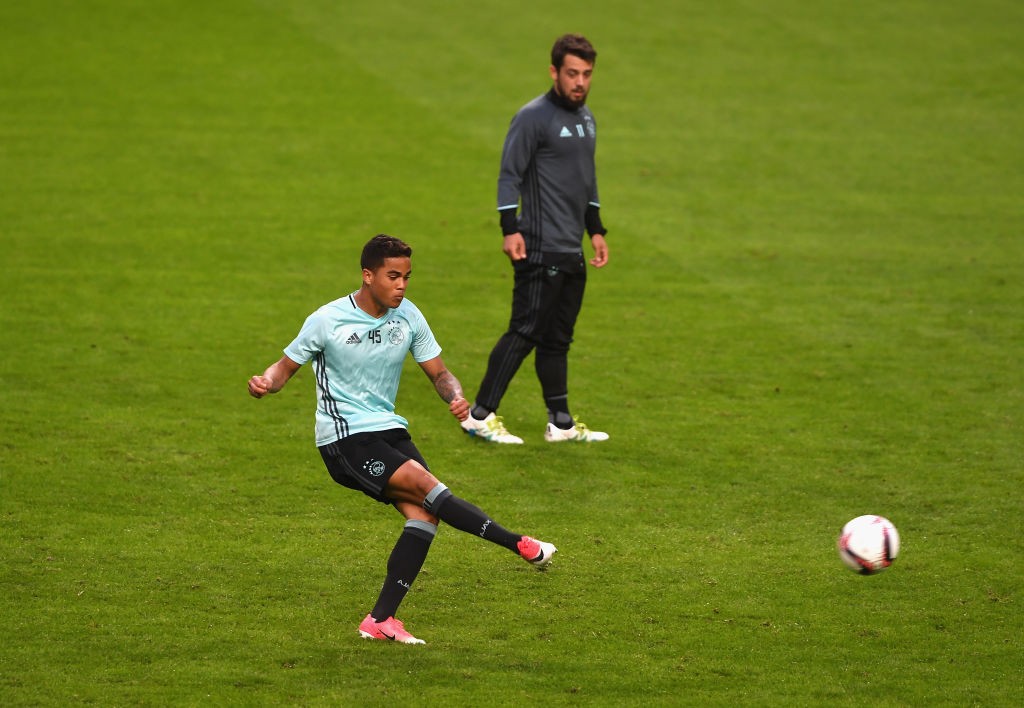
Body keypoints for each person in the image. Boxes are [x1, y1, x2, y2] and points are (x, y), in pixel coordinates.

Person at [248, 234, 557, 645]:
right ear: (368, 275)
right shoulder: (328, 319)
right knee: (431, 489)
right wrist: (265, 383)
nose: (402, 285)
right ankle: (518, 543)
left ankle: (379, 621)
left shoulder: (408, 317)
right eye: (393, 276)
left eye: (407, 277)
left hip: (390, 431)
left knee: (425, 515)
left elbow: (440, 373)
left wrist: (457, 396)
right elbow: (284, 367)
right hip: (346, 439)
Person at [460, 33, 610, 445]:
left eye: (587, 74)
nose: (580, 82)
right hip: (540, 245)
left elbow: (587, 179)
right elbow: (509, 173)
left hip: (571, 247)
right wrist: (510, 230)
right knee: (524, 330)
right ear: (554, 72)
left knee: (557, 338)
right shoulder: (533, 117)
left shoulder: (587, 119)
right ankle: (479, 415)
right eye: (572, 73)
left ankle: (560, 423)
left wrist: (595, 229)